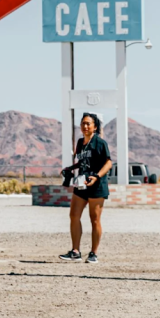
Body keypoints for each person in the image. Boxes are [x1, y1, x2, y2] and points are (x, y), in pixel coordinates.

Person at [59, 113, 112, 264]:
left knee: (94, 220)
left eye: (88, 123)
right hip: (81, 184)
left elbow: (108, 163)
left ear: (95, 127)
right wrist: (70, 168)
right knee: (74, 215)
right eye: (83, 123)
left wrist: (97, 176)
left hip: (96, 185)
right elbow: (82, 161)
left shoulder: (100, 143)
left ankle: (93, 253)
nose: (85, 126)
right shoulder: (81, 142)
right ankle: (75, 251)